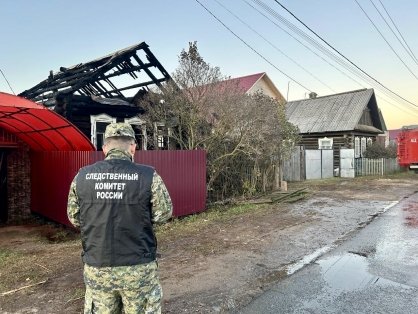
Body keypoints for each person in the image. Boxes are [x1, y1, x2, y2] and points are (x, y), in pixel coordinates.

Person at [67, 122, 173, 313]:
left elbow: (75, 218)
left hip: (98, 269)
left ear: (104, 148)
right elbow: (163, 214)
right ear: (133, 147)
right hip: (138, 269)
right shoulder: (148, 175)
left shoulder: (82, 177)